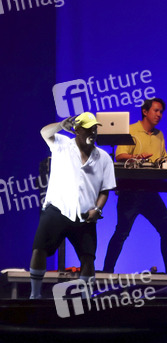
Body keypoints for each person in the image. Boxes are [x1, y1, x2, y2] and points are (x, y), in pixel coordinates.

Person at [30, 113, 116, 299]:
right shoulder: (62, 144)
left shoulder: (103, 158)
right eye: (88, 129)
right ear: (77, 130)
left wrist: (97, 210)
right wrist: (61, 125)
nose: (93, 132)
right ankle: (34, 296)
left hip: (85, 216)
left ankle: (86, 299)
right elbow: (44, 132)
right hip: (57, 209)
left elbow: (105, 190)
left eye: (95, 128)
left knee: (88, 257)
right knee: (39, 249)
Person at [102, 98, 167, 274]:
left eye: (161, 112)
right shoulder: (131, 130)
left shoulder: (159, 135)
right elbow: (120, 155)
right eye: (156, 111)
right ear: (145, 111)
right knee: (122, 232)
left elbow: (163, 159)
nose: (159, 115)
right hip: (131, 191)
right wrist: (137, 158)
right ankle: (107, 272)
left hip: (150, 191)